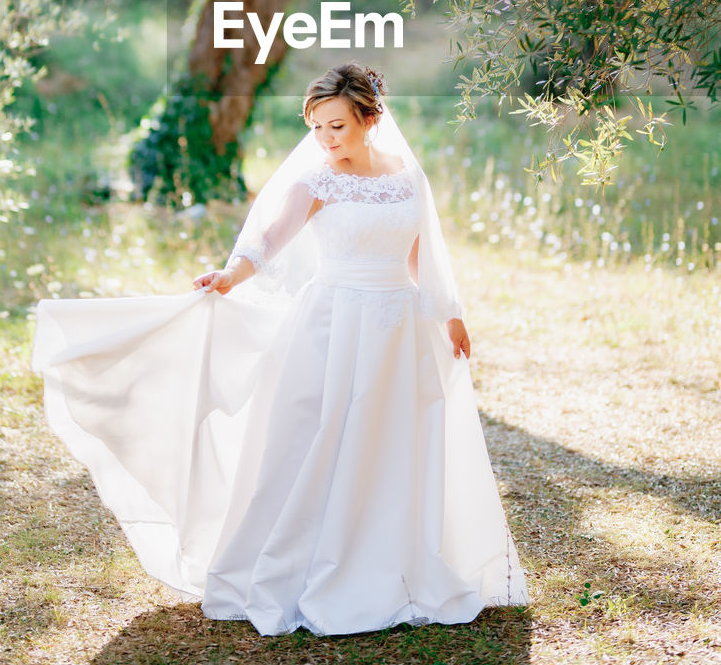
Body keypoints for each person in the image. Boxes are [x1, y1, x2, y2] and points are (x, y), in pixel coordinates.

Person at [33, 63, 527, 635]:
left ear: (370, 118)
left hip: (396, 325)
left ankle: (389, 561)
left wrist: (450, 315)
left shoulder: (407, 179)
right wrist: (229, 275)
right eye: (317, 126)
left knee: (390, 441)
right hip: (334, 322)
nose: (326, 138)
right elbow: (268, 240)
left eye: (337, 125)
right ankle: (307, 563)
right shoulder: (317, 181)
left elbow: (419, 254)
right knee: (316, 439)